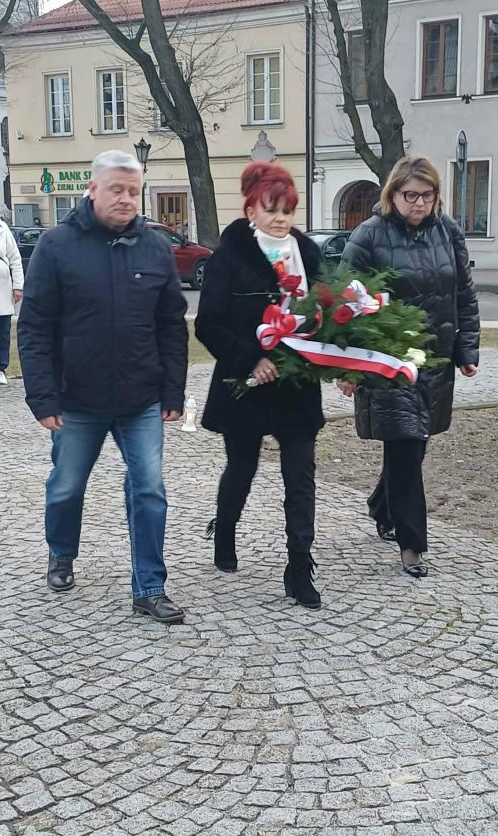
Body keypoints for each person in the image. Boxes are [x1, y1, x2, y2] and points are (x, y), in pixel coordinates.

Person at [18, 150, 188, 624]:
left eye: (134, 191)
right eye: (117, 189)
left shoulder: (155, 248)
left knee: (149, 489)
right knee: (67, 485)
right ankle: (61, 552)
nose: (127, 199)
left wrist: (173, 391)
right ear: (92, 189)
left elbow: (172, 326)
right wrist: (43, 397)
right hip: (77, 399)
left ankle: (149, 587)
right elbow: (34, 327)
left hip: (141, 398)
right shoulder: (56, 245)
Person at [339, 155, 479, 578]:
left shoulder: (448, 231)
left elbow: (464, 293)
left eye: (427, 195)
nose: (419, 203)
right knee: (404, 445)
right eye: (410, 195)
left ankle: (382, 507)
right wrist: (349, 365)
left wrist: (467, 350)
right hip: (389, 360)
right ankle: (412, 544)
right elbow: (345, 299)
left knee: (415, 445)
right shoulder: (369, 235)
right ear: (393, 194)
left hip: (435, 359)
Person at [195, 162, 324, 609]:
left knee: (300, 476)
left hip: (297, 387)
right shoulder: (229, 256)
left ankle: (299, 566)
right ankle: (225, 530)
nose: (280, 219)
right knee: (242, 466)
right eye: (271, 210)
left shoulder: (308, 253)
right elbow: (208, 324)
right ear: (250, 210)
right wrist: (251, 357)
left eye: (287, 210)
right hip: (247, 384)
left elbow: (328, 312)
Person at [0, 214, 23, 385]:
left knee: (2, 330)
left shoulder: (1, 227)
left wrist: (18, 286)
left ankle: (0, 368)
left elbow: (15, 258)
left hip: (1, 287)